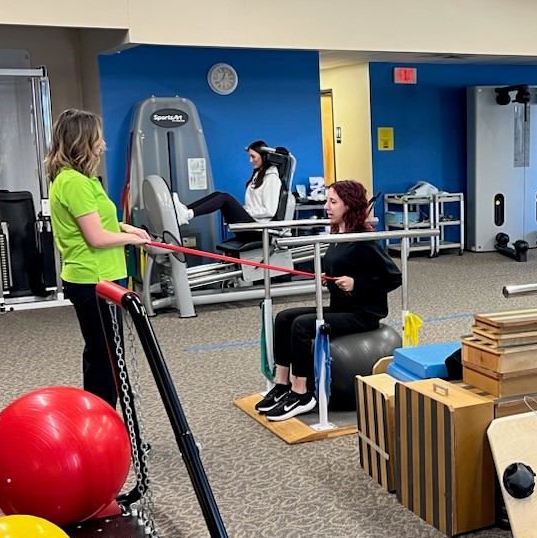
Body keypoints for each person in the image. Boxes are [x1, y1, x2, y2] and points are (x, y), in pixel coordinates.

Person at [255, 180, 402, 421]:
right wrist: (330, 279)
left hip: (363, 315)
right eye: (327, 201)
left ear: (349, 205)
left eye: (332, 202)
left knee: (302, 325)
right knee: (284, 318)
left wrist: (357, 283)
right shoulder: (337, 234)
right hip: (340, 307)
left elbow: (394, 278)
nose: (326, 207)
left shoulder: (364, 239)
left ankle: (302, 393)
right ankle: (282, 385)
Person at [47, 108, 150, 408]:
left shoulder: (84, 180)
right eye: (98, 138)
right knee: (105, 359)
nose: (103, 144)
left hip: (105, 277)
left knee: (103, 355)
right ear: (83, 141)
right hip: (92, 279)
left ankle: (100, 429)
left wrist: (125, 226)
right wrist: (133, 240)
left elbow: (98, 223)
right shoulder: (74, 183)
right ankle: (101, 431)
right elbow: (96, 237)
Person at [172, 140, 285, 229]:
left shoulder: (272, 179)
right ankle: (185, 210)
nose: (250, 160)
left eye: (253, 157)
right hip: (251, 223)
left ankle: (187, 215)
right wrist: (244, 210)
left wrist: (245, 211)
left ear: (264, 157)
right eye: (250, 157)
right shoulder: (259, 175)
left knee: (225, 198)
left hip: (258, 228)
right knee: (218, 194)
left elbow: (270, 210)